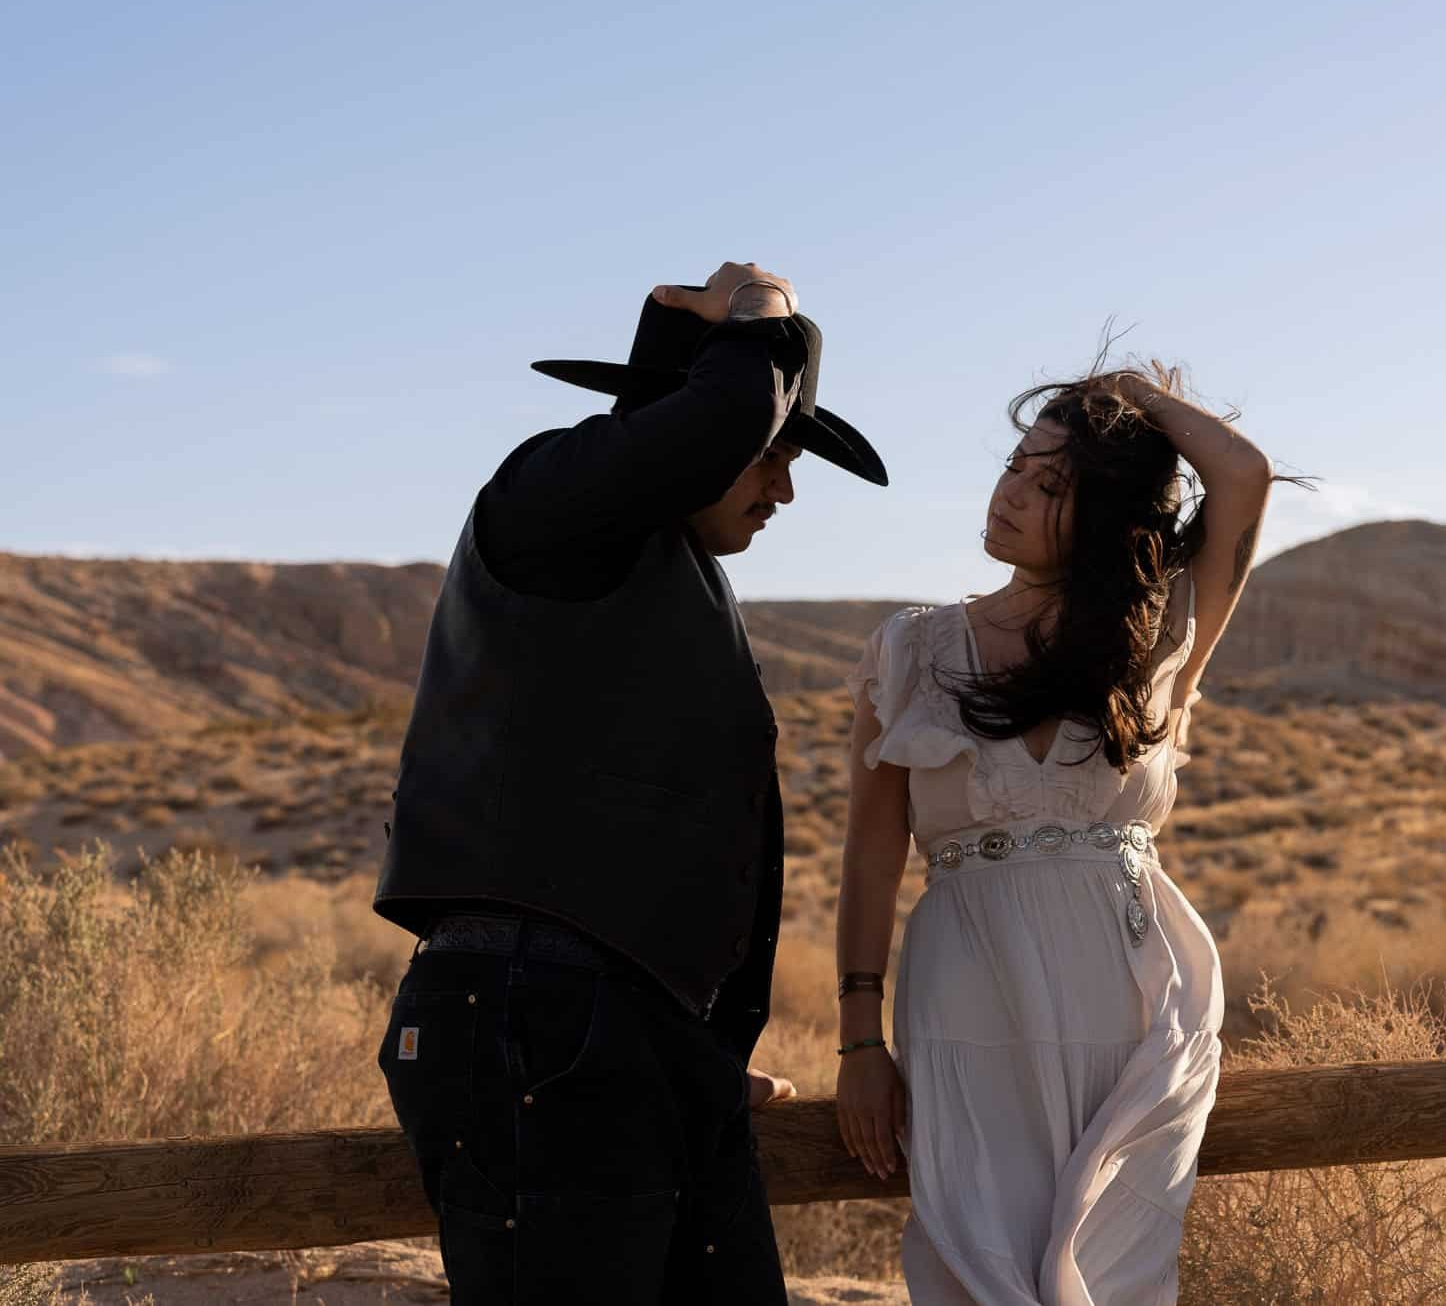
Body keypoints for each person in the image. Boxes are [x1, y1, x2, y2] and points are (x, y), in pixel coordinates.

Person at [372, 261, 889, 1303]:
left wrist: (681, 1053)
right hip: (538, 1026)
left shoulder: (662, 570)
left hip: (622, 1042)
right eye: (772, 454)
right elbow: (721, 415)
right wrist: (763, 310)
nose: (784, 490)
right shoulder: (544, 504)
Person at [834, 361, 1275, 1303]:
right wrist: (858, 1042)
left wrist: (1134, 395)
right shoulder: (910, 648)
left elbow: (1242, 476)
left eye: (1050, 486)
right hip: (967, 995)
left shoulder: (1158, 641)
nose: (1010, 494)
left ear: (1110, 517)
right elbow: (871, 854)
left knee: (1115, 1272)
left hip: (1132, 999)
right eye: (1014, 467)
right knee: (977, 1262)